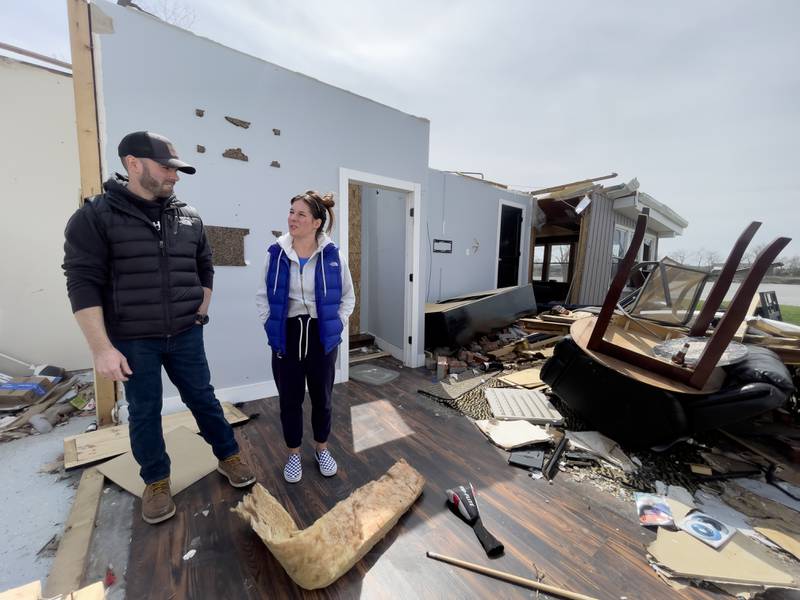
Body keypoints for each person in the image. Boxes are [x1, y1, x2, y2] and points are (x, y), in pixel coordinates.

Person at [63, 131, 255, 524]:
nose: (174, 176)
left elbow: (205, 266)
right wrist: (102, 348)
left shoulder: (189, 215)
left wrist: (201, 310)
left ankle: (229, 456)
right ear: (134, 164)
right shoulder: (95, 217)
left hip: (186, 333)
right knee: (145, 411)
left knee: (203, 398)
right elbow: (82, 282)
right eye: (167, 168)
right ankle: (156, 481)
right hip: (133, 340)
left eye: (176, 169)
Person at [255, 191, 355, 483]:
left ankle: (322, 449)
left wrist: (338, 322)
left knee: (323, 398)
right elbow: (263, 296)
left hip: (321, 335)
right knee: (290, 399)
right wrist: (269, 325)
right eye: (291, 211)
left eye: (301, 214)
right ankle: (294, 454)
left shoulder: (333, 256)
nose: (292, 218)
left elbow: (347, 296)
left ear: (316, 223)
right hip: (287, 334)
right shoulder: (275, 253)